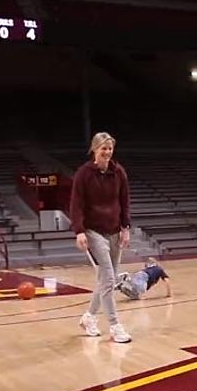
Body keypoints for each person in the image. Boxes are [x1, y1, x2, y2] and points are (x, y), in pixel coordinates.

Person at [69, 131, 132, 343]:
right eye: (103, 148)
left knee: (107, 280)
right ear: (94, 149)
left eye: (110, 148)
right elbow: (76, 205)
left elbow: (124, 201)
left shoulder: (119, 172)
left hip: (114, 229)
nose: (107, 152)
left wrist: (126, 227)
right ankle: (115, 326)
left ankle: (89, 317)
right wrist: (79, 230)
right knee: (108, 277)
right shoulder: (83, 174)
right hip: (93, 231)